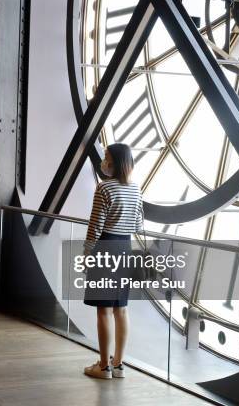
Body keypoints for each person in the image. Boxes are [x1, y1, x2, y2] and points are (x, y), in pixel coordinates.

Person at [82, 143, 143, 380]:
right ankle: (118, 365)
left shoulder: (103, 188)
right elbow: (138, 225)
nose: (103, 161)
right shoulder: (136, 189)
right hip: (124, 249)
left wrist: (87, 254)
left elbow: (95, 225)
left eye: (106, 157)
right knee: (121, 309)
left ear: (115, 162)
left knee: (103, 311)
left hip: (105, 248)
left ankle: (103, 367)